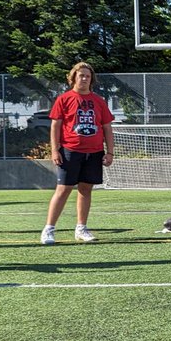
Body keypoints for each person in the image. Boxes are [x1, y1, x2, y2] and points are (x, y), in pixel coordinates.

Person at [40, 62, 115, 244]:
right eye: (80, 75)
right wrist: (55, 150)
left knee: (86, 189)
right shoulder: (64, 99)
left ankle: (81, 228)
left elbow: (107, 127)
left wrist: (110, 152)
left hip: (94, 152)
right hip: (70, 151)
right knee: (63, 189)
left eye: (87, 76)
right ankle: (49, 229)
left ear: (91, 79)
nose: (84, 79)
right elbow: (55, 126)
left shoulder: (99, 101)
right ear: (73, 77)